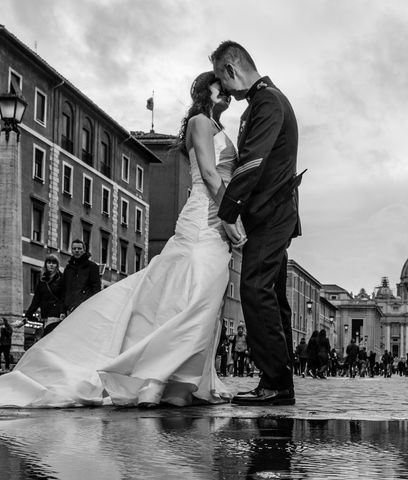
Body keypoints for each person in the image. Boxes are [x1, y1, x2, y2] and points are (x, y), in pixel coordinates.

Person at [0, 71, 244, 408]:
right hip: (206, 216)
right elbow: (208, 171)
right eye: (221, 86)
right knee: (197, 293)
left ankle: (179, 377)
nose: (228, 92)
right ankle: (162, 377)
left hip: (214, 220)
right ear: (206, 90)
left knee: (198, 294)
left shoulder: (218, 128)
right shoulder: (200, 121)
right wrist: (229, 214)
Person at [212, 41, 302, 406]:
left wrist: (228, 211)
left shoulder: (267, 102)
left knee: (254, 289)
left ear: (232, 70)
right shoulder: (266, 100)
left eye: (223, 78)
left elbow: (252, 162)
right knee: (274, 296)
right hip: (275, 212)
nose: (227, 92)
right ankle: (280, 379)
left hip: (269, 212)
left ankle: (276, 382)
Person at [25, 254, 66, 337]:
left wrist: (62, 311)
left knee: (48, 337)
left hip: (56, 315)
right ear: (46, 264)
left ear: (57, 265)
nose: (51, 265)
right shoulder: (42, 280)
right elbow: (36, 300)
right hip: (45, 316)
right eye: (49, 262)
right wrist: (27, 315)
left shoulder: (62, 279)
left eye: (54, 263)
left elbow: (64, 297)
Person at [63, 240, 101, 314]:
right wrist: (63, 309)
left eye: (79, 248)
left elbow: (96, 289)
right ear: (72, 250)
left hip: (85, 309)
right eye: (74, 248)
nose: (77, 251)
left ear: (84, 250)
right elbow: (64, 290)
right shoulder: (68, 269)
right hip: (69, 309)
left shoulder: (92, 267)